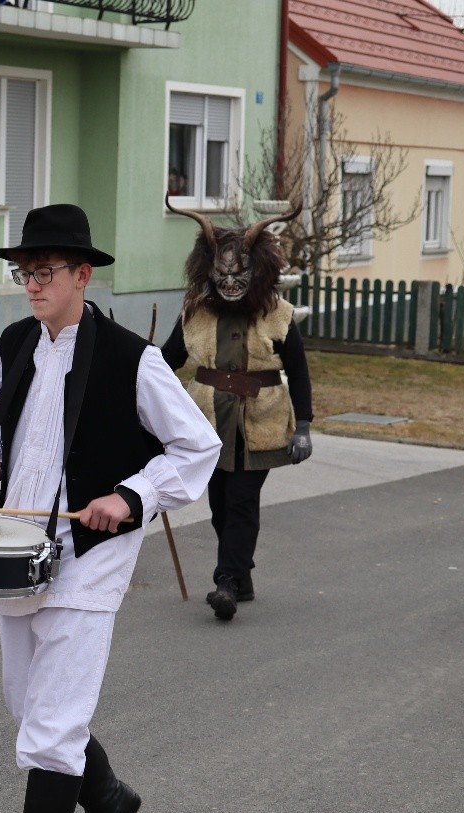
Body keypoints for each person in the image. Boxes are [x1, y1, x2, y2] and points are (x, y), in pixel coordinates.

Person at [0, 204, 219, 813]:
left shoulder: (133, 357)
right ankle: (107, 797)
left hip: (91, 556)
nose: (31, 284)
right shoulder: (14, 341)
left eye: (44, 272)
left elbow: (197, 446)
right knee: (26, 703)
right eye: (23, 272)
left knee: (53, 722)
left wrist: (131, 495)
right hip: (20, 543)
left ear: (82, 275)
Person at [160, 200, 314, 621]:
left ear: (258, 271)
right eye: (222, 273)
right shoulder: (196, 313)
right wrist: (133, 370)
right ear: (207, 268)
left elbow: (298, 374)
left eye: (240, 274)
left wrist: (302, 426)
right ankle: (241, 576)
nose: (230, 282)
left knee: (243, 503)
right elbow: (166, 359)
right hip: (208, 426)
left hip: (259, 425)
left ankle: (226, 582)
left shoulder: (278, 316)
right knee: (221, 506)